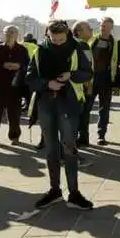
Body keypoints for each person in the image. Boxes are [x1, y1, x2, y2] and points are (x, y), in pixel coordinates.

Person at [26, 19, 93, 210]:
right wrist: (47, 84)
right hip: (46, 104)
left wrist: (71, 75)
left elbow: (88, 73)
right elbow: (29, 78)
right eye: (53, 39)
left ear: (67, 35)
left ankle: (74, 193)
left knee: (69, 148)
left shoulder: (76, 48)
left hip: (68, 104)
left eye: (61, 39)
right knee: (51, 149)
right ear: (48, 35)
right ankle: (54, 190)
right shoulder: (39, 51)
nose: (57, 43)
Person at [0, 25, 28, 146]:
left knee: (14, 114)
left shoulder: (22, 50)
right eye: (7, 32)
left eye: (13, 32)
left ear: (17, 35)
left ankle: (15, 137)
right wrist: (3, 65)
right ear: (3, 34)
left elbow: (29, 66)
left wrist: (19, 66)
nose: (10, 34)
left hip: (15, 87)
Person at [84, 17, 120, 146]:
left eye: (105, 26)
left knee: (104, 109)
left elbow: (117, 61)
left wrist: (116, 83)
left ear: (111, 28)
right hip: (91, 79)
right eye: (101, 25)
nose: (102, 28)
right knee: (86, 108)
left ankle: (101, 135)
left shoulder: (115, 43)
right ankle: (83, 136)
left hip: (106, 79)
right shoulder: (92, 39)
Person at [73, 21, 95, 146]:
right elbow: (87, 67)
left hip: (78, 85)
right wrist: (90, 85)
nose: (91, 29)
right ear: (79, 32)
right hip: (83, 86)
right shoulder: (82, 45)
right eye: (88, 28)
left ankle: (82, 138)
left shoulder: (80, 44)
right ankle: (81, 140)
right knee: (83, 114)